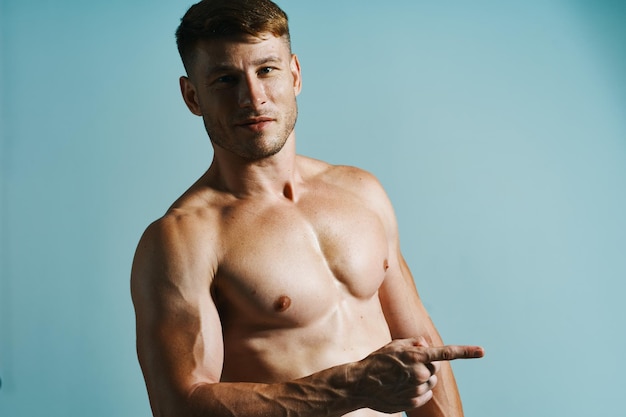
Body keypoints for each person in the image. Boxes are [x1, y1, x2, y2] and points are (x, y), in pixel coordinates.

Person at [130, 1, 484, 416]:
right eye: (226, 79)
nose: (252, 97)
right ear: (193, 96)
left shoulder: (361, 193)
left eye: (266, 70)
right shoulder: (182, 239)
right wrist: (350, 388)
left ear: (294, 74)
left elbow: (423, 351)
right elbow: (179, 405)